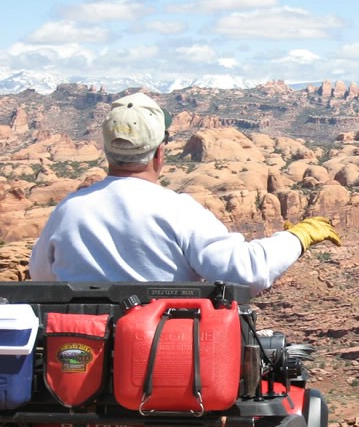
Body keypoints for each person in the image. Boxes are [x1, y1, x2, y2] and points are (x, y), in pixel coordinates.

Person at [29, 92, 341, 292]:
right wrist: (298, 236)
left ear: (107, 151)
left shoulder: (70, 209)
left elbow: (42, 277)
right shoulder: (176, 210)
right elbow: (248, 271)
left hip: (81, 370)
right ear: (159, 153)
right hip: (164, 371)